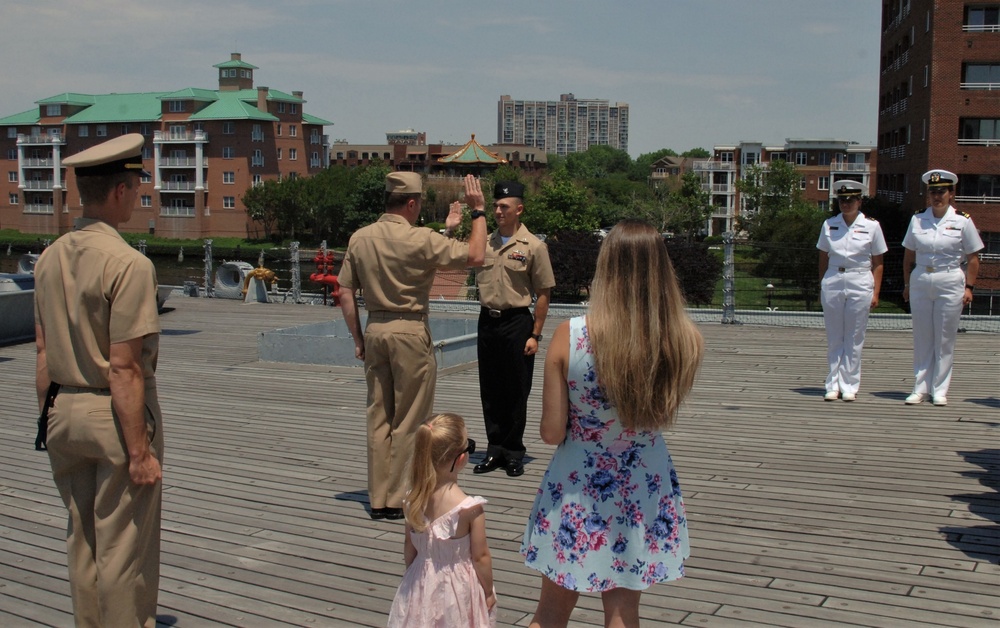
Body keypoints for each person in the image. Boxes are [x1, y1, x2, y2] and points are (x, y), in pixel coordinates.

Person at [520, 219, 704, 628]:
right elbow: (660, 415)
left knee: (550, 613)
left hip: (577, 487)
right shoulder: (683, 338)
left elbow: (551, 432)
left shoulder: (573, 335)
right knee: (622, 612)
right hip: (643, 485)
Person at [33, 134, 164, 627]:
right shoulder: (128, 263)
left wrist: (47, 419)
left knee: (83, 541)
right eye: (135, 189)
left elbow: (44, 352)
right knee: (124, 549)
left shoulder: (48, 258)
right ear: (119, 192)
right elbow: (125, 366)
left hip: (61, 408)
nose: (135, 197)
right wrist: (139, 451)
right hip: (115, 415)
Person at [338, 173, 487, 520]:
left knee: (379, 416)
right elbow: (477, 255)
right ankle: (400, 497)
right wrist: (477, 211)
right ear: (411, 203)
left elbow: (345, 291)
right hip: (410, 331)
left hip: (375, 328)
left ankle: (378, 498)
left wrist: (358, 338)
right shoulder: (419, 238)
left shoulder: (360, 238)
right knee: (411, 419)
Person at [473, 180, 555, 478]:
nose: (497, 211)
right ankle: (494, 449)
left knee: (516, 389)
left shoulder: (534, 246)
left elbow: (544, 292)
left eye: (504, 206)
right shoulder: (485, 242)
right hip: (487, 321)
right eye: (495, 206)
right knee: (491, 389)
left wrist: (535, 333)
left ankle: (513, 452)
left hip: (517, 322)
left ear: (519, 209)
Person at [388, 413, 497, 627]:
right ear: (461, 458)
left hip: (420, 582)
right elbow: (481, 557)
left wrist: (412, 578)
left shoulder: (412, 501)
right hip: (458, 588)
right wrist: (488, 590)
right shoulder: (469, 508)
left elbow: (410, 548)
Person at [902, 169, 983, 406]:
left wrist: (969, 287)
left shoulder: (962, 221)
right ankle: (920, 387)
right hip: (921, 279)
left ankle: (939, 389)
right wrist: (906, 284)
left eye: (941, 191)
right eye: (933, 192)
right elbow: (908, 256)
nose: (937, 196)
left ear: (951, 194)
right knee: (922, 336)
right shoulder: (917, 219)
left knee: (945, 338)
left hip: (950, 280)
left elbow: (974, 257)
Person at [816, 180, 888, 402]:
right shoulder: (829, 225)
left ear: (859, 201)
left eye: (850, 200)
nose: (845, 204)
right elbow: (823, 258)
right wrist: (822, 285)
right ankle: (832, 384)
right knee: (834, 336)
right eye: (841, 200)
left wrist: (875, 292)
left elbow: (878, 262)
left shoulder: (872, 226)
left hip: (859, 279)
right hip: (834, 278)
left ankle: (849, 385)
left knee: (855, 337)